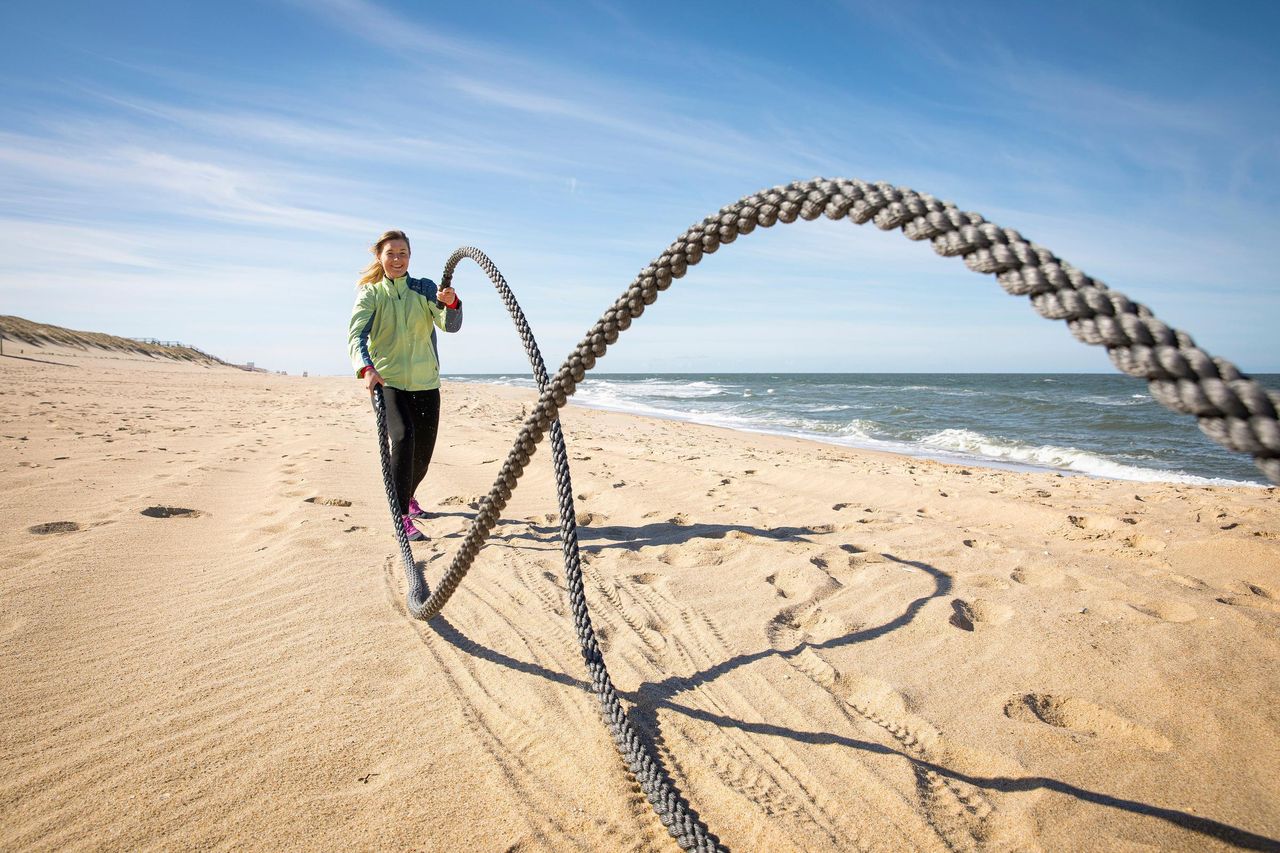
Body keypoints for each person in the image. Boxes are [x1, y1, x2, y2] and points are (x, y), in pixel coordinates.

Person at [348, 230, 462, 542]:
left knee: (422, 456)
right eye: (391, 253)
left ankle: (408, 496)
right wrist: (366, 368)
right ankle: (400, 515)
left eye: (403, 253)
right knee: (404, 437)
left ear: (409, 256)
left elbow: (449, 326)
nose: (397, 259)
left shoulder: (424, 288)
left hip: (426, 383)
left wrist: (452, 304)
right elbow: (356, 336)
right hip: (389, 382)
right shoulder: (371, 294)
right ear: (379, 257)